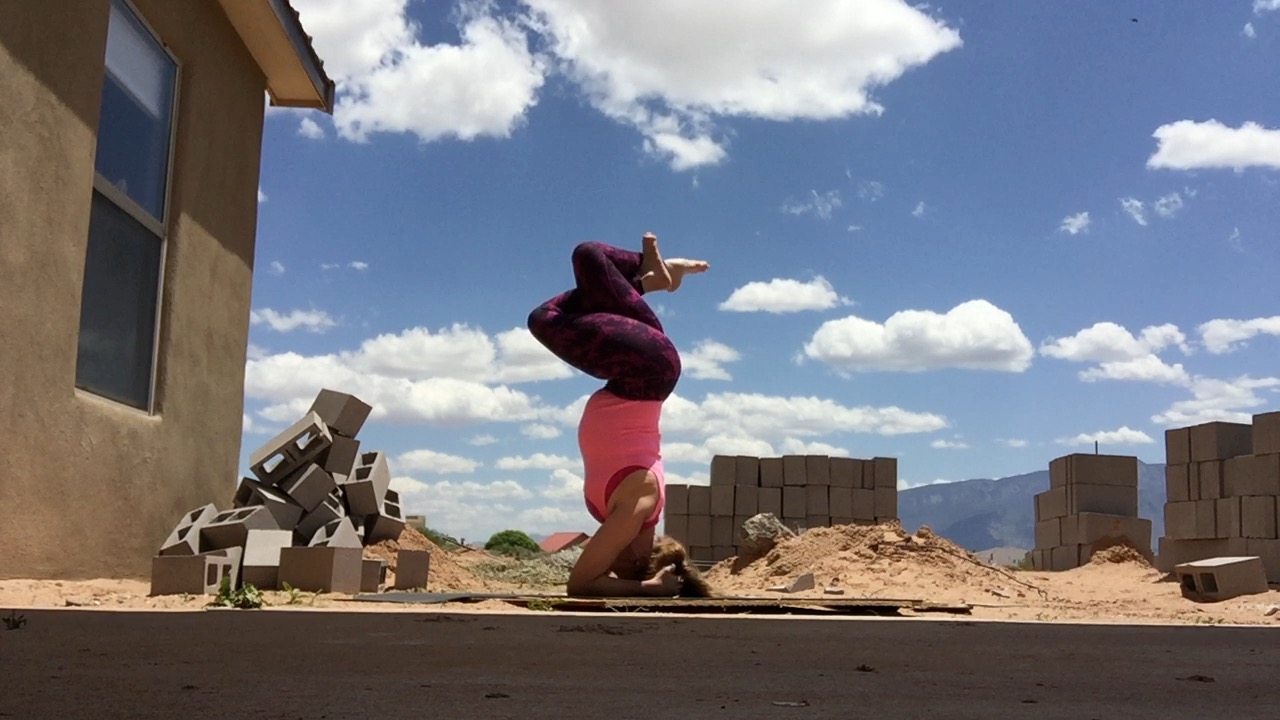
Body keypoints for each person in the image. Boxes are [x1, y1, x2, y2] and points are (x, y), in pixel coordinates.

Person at [527, 232, 708, 597]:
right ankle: (650, 276)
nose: (609, 559)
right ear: (642, 557)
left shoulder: (614, 514)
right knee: (571, 280)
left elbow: (590, 579)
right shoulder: (638, 507)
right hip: (645, 370)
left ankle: (651, 279)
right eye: (620, 564)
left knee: (566, 298)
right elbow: (581, 584)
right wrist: (651, 589)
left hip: (634, 369)